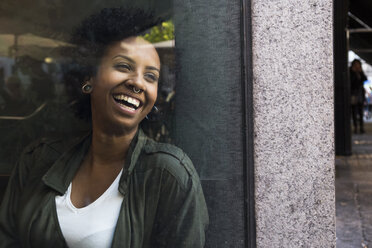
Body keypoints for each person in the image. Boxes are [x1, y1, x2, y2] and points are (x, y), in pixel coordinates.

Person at [0, 8, 208, 248]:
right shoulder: (37, 159)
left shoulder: (170, 176)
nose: (138, 83)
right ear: (89, 77)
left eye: (150, 77)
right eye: (124, 66)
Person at [350, 59, 367, 134]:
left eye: (358, 64)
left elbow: (365, 79)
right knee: (354, 111)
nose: (357, 66)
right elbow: (351, 82)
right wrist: (354, 73)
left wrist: (360, 72)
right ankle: (356, 127)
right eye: (356, 64)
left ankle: (361, 127)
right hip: (353, 94)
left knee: (361, 112)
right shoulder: (350, 72)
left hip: (360, 94)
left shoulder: (360, 72)